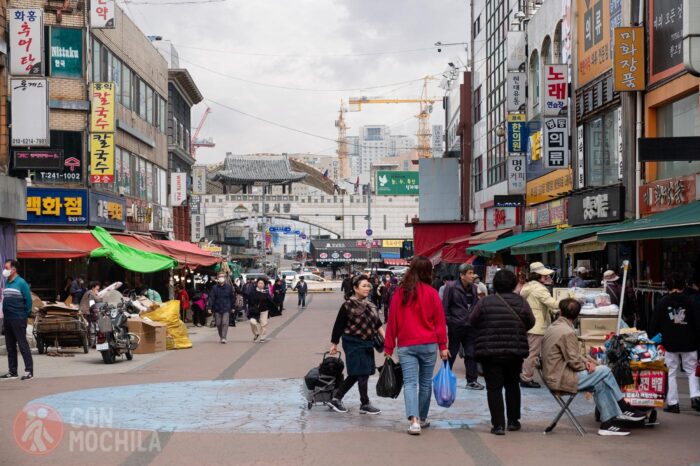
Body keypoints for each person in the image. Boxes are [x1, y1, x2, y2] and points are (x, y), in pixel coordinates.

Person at [542, 299, 647, 436]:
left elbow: (574, 356)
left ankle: (608, 423)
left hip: (555, 374)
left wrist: (586, 363)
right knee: (604, 370)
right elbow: (574, 361)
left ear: (561, 312)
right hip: (560, 378)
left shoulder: (554, 327)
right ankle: (623, 405)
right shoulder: (567, 332)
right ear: (577, 316)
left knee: (600, 382)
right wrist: (586, 365)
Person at [384, 256, 448, 435]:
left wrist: (389, 347)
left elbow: (392, 321)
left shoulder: (400, 292)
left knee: (410, 383)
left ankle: (414, 422)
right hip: (429, 345)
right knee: (425, 383)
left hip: (406, 345)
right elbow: (439, 323)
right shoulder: (432, 293)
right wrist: (443, 346)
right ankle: (423, 417)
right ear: (428, 272)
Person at [470, 269, 535, 435]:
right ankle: (513, 421)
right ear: (514, 284)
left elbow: (473, 321)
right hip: (514, 350)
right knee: (513, 385)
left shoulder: (485, 302)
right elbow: (530, 322)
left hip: (490, 351)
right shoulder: (521, 302)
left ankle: (498, 425)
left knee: (494, 388)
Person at [328, 275, 384, 415]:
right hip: (352, 342)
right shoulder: (347, 305)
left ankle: (336, 398)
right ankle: (364, 403)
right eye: (364, 286)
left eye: (368, 285)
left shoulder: (369, 304)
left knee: (356, 373)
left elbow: (377, 324)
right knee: (362, 373)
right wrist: (334, 343)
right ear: (355, 288)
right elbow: (338, 325)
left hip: (367, 342)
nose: (367, 288)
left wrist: (387, 339)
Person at [649, 273, 700, 413]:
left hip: (669, 343)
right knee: (691, 371)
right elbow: (697, 323)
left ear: (668, 286)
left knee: (671, 372)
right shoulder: (691, 302)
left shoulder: (662, 302)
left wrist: (652, 338)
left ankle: (673, 403)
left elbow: (654, 325)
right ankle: (696, 398)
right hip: (690, 342)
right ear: (683, 286)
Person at [442, 263, 484, 390]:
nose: (472, 276)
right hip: (456, 327)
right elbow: (445, 308)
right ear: (462, 275)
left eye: (472, 273)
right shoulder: (451, 287)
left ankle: (471, 380)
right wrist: (451, 322)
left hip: (470, 327)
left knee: (471, 353)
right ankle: (445, 378)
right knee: (452, 353)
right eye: (469, 273)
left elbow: (476, 306)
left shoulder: (474, 288)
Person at [519, 262, 560, 388]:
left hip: (530, 324)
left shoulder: (528, 286)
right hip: (538, 326)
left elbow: (542, 305)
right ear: (538, 276)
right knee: (532, 353)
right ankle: (526, 378)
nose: (546, 277)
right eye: (544, 275)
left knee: (529, 352)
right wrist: (570, 301)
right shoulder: (539, 289)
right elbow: (553, 304)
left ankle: (524, 376)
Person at [1, 259, 34, 380]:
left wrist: (24, 315)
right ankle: (12, 370)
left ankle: (29, 370)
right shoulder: (8, 282)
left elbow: (28, 301)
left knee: (22, 344)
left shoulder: (21, 283)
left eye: (7, 268)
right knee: (10, 346)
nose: (4, 270)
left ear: (13, 270)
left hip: (18, 318)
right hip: (8, 318)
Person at [207, 272, 236, 344]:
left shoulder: (229, 287)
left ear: (225, 278)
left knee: (225, 323)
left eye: (222, 276)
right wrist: (209, 307)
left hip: (226, 307)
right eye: (220, 276)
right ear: (217, 278)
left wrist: (233, 307)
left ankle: (224, 337)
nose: (221, 278)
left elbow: (232, 298)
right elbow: (211, 298)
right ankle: (221, 336)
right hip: (217, 308)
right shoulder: (214, 288)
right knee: (218, 323)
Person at [248, 278, 276, 342]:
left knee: (263, 324)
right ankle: (256, 333)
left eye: (262, 283)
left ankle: (262, 337)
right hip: (254, 311)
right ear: (257, 284)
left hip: (264, 310)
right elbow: (250, 301)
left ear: (264, 285)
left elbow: (270, 301)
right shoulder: (252, 292)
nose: (260, 284)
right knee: (252, 322)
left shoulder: (265, 292)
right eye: (259, 283)